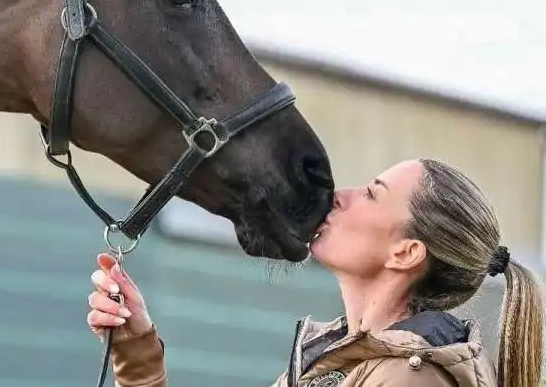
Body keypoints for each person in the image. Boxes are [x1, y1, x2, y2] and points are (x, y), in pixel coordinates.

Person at [85, 158, 545, 386]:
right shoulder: (338, 363)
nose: (339, 195)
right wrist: (136, 348)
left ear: (405, 253)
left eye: (371, 193)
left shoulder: (409, 378)